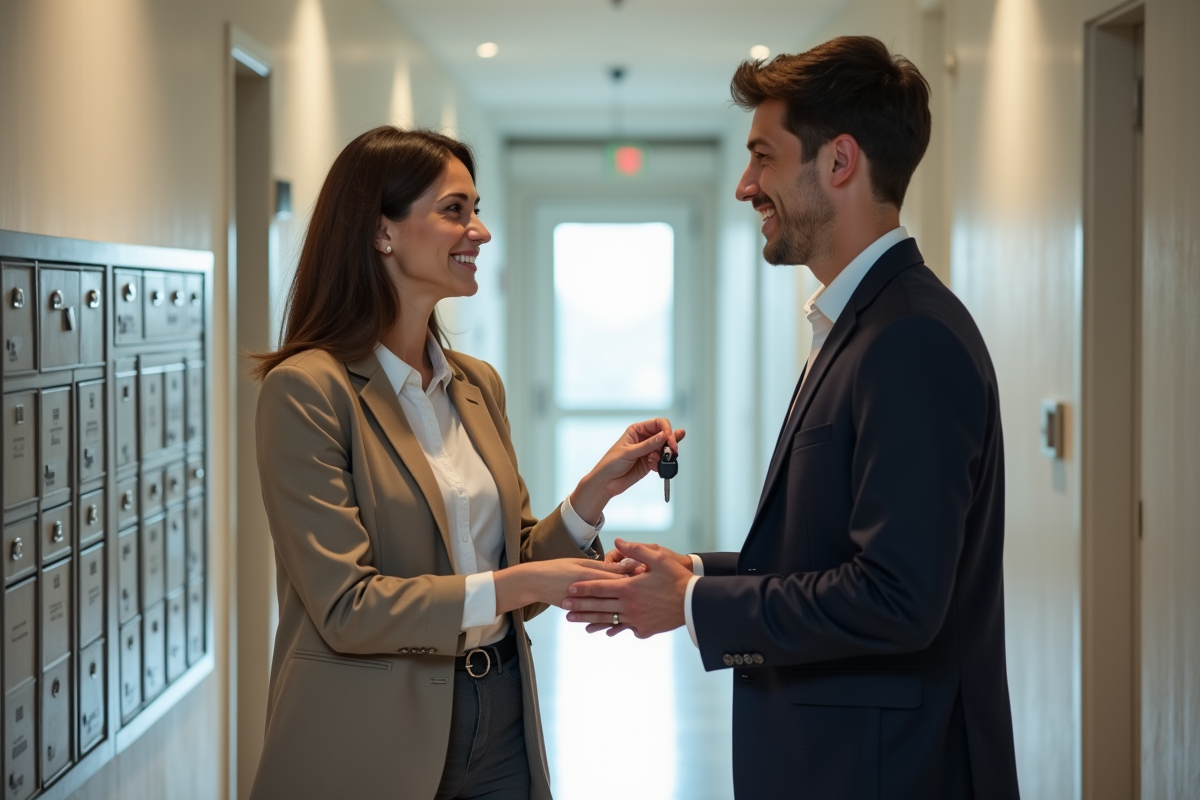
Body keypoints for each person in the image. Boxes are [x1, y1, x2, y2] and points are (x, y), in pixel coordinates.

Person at [563, 36, 1020, 799]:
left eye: (763, 158)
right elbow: (836, 556)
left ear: (839, 163)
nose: (746, 186)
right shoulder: (862, 324)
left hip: (887, 770)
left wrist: (691, 604)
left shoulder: (908, 338)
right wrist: (696, 572)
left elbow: (897, 598)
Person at [248, 126, 683, 800]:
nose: (479, 231)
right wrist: (517, 583)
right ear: (381, 232)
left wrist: (589, 498)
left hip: (501, 712)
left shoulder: (476, 385)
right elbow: (347, 606)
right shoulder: (309, 391)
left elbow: (511, 572)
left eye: (476, 209)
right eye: (455, 210)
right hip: (370, 735)